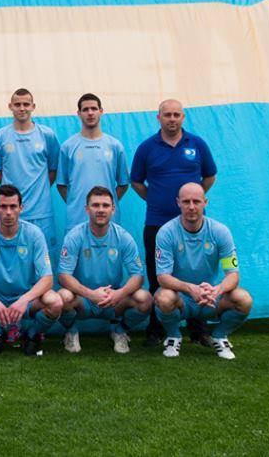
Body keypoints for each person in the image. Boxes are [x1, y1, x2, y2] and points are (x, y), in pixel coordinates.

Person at [130, 99, 217, 346]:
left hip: (193, 227)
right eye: (167, 115)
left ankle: (199, 330)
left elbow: (209, 176)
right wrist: (156, 199)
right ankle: (157, 329)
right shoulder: (147, 148)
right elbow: (136, 182)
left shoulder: (197, 144)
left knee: (196, 274)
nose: (172, 119)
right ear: (158, 117)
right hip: (157, 223)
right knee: (157, 277)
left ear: (183, 117)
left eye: (176, 115)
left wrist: (192, 202)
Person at [0, 184, 62, 356]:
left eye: (13, 206)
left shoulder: (34, 234)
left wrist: (25, 299)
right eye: (3, 206)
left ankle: (32, 334)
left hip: (25, 295)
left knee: (55, 302)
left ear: (21, 208)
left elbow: (47, 279)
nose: (8, 212)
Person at [154, 183, 252, 360]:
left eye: (196, 201)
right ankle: (174, 336)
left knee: (243, 299)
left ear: (205, 202)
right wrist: (190, 288)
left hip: (210, 298)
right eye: (186, 202)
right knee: (163, 297)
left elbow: (233, 274)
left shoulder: (220, 232)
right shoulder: (166, 232)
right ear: (178, 203)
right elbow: (163, 277)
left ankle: (220, 336)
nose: (191, 207)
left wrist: (217, 290)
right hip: (182, 299)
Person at [56, 186, 151, 354]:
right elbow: (63, 276)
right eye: (95, 205)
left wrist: (119, 293)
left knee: (145, 299)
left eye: (105, 205)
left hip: (113, 300)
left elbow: (138, 275)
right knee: (62, 297)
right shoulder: (75, 236)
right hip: (83, 299)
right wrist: (90, 294)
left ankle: (119, 331)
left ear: (113, 209)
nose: (100, 210)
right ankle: (71, 332)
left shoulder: (123, 237)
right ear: (87, 209)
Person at [0, 88, 61, 249]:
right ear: (10, 106)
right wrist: (11, 195)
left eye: (26, 104)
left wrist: (40, 189)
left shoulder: (47, 135)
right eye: (17, 104)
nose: (22, 108)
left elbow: (53, 170)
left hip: (41, 212)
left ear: (33, 106)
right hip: (11, 212)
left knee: (44, 256)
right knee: (15, 257)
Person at [56, 93, 130, 231]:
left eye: (94, 108)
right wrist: (75, 204)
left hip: (108, 221)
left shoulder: (115, 146)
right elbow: (61, 184)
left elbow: (123, 184)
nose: (90, 113)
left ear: (101, 111)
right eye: (85, 109)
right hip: (76, 220)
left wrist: (105, 205)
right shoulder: (68, 147)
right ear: (79, 114)